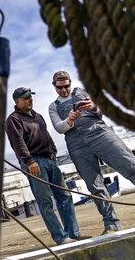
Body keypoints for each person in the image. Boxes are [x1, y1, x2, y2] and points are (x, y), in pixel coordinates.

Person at [48, 70, 135, 234]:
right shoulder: (53, 107)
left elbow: (102, 111)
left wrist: (93, 107)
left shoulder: (84, 92)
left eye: (66, 86)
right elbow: (59, 127)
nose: (64, 90)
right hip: (76, 144)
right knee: (95, 186)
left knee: (132, 167)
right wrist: (70, 119)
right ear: (54, 86)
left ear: (70, 83)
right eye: (60, 87)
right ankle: (111, 224)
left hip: (100, 133)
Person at [6, 87, 88, 245]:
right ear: (17, 102)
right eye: (26, 97)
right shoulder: (13, 119)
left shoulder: (38, 116)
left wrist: (54, 153)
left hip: (50, 159)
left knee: (65, 196)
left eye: (31, 96)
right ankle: (61, 237)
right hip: (34, 162)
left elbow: (47, 136)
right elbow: (18, 143)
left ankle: (73, 234)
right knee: (45, 202)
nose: (30, 99)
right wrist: (29, 161)